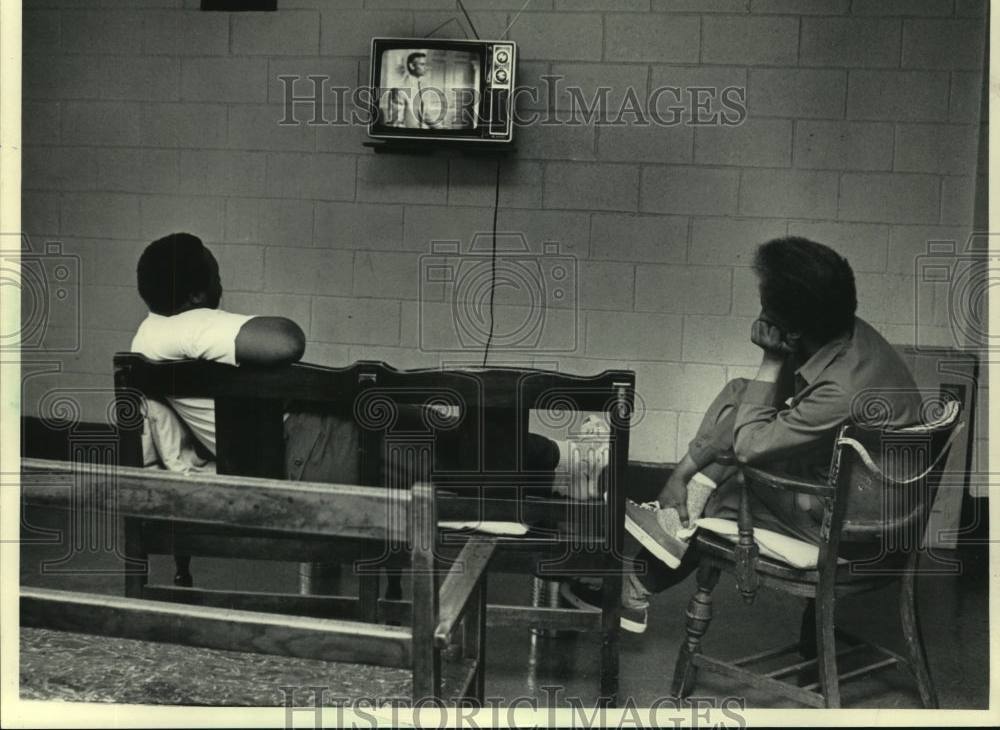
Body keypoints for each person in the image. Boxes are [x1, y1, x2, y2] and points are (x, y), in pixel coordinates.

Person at [561, 236, 923, 634]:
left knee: (734, 485)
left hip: (859, 531)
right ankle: (674, 504)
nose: (760, 311)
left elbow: (750, 447)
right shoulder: (845, 333)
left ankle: (637, 584)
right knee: (740, 393)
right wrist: (679, 474)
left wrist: (771, 358)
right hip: (860, 496)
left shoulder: (843, 386)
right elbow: (756, 407)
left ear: (795, 326)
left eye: (765, 304)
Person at [132, 232, 604, 495]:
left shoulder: (150, 336)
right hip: (303, 451)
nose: (221, 288)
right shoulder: (188, 326)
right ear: (194, 294)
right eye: (216, 276)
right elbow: (285, 341)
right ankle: (565, 468)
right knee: (437, 451)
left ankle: (563, 469)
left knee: (433, 428)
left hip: (300, 441)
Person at [381, 51, 445, 130]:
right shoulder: (399, 90)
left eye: (425, 64)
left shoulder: (422, 86)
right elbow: (396, 123)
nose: (426, 67)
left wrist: (441, 128)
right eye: (422, 64)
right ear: (412, 66)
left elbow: (425, 114)